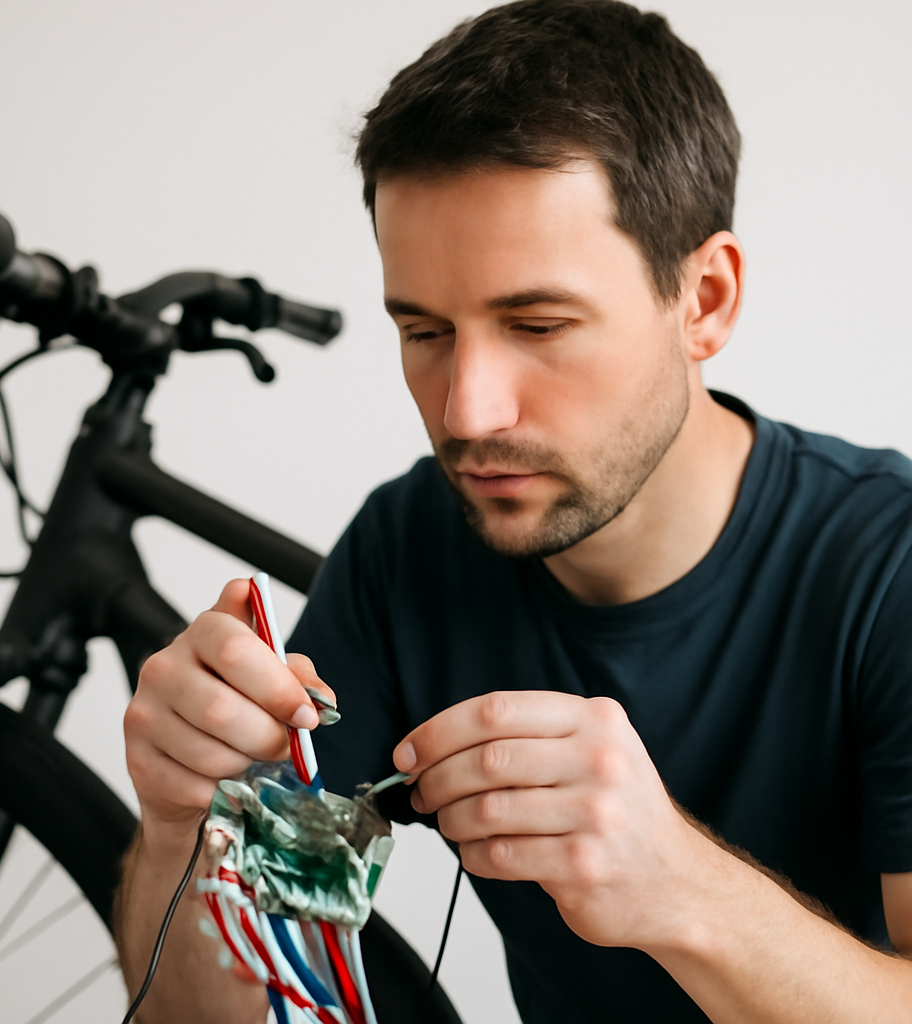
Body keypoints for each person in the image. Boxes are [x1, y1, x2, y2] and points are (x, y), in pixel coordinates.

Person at [113, 1, 912, 1020]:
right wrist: (184, 822)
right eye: (425, 329)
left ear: (703, 299)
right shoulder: (408, 545)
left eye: (536, 323)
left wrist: (682, 886)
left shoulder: (887, 567)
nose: (464, 410)